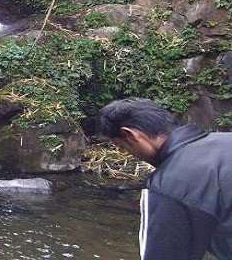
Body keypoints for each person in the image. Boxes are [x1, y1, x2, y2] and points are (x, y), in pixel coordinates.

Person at [96, 98, 232, 260]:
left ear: (130, 135)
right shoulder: (226, 140)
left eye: (122, 147)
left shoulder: (167, 185)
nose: (127, 153)